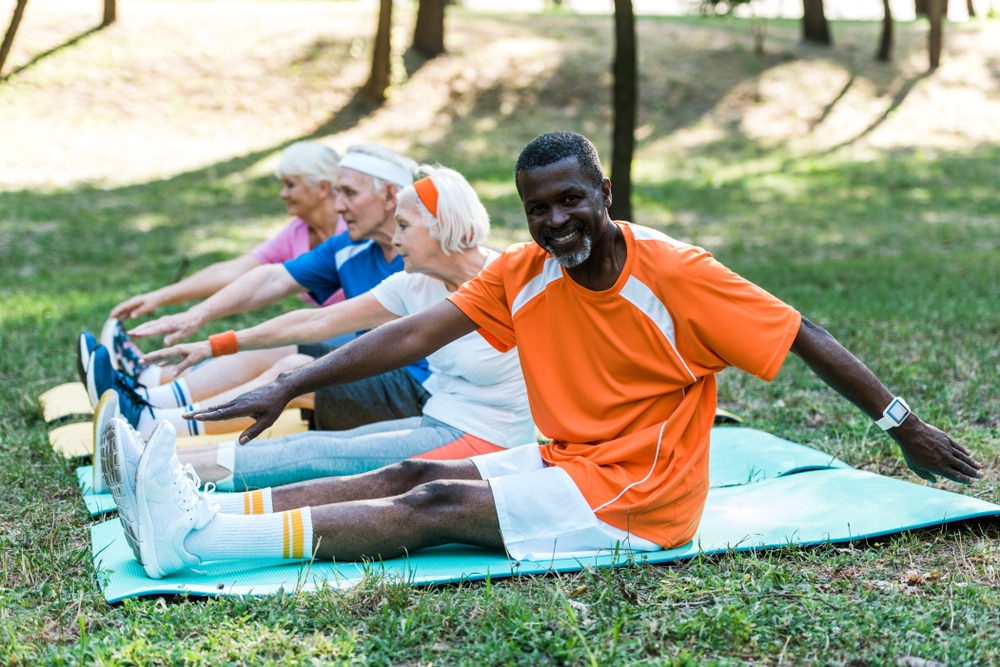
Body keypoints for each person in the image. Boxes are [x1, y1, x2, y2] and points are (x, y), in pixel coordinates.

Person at [100, 131, 981, 580]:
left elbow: (803, 336)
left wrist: (905, 425)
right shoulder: (525, 271)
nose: (556, 222)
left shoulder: (675, 273)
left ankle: (204, 542)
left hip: (641, 497)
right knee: (408, 471)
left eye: (571, 202)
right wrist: (293, 378)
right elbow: (409, 333)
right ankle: (190, 498)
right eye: (538, 208)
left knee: (436, 499)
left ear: (604, 192)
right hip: (571, 459)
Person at [94, 166, 535, 492]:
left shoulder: (512, 282)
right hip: (439, 418)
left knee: (314, 455)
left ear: (442, 227)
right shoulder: (413, 283)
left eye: (403, 226)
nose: (394, 238)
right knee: (321, 444)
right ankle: (143, 458)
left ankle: (144, 471)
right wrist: (217, 343)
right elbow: (316, 320)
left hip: (486, 440)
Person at [84, 143, 433, 437]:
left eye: (349, 194)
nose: (339, 206)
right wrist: (196, 314)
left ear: (389, 196)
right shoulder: (349, 246)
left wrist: (214, 343)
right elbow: (270, 278)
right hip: (371, 363)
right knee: (282, 348)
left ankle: (153, 422)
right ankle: (148, 395)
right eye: (338, 192)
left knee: (294, 367)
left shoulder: (427, 255)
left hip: (424, 389)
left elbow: (321, 322)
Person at [103, 141, 347, 386]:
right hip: (329, 331)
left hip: (358, 337)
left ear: (323, 188)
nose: (282, 194)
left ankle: (151, 380)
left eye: (290, 185)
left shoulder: (353, 229)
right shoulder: (297, 232)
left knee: (270, 345)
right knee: (258, 343)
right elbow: (234, 270)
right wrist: (161, 296)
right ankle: (155, 383)